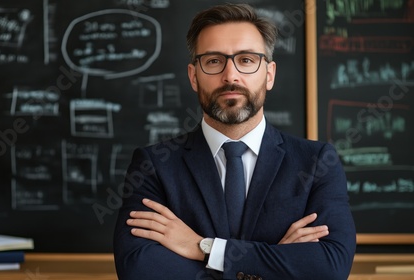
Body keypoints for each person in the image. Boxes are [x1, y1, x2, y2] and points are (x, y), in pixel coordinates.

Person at [113, 3, 356, 280]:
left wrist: (205, 248)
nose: (230, 76)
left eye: (247, 60)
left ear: (269, 74)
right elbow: (139, 270)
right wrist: (277, 262)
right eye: (214, 61)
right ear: (194, 76)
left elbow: (331, 267)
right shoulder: (154, 166)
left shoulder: (316, 162)